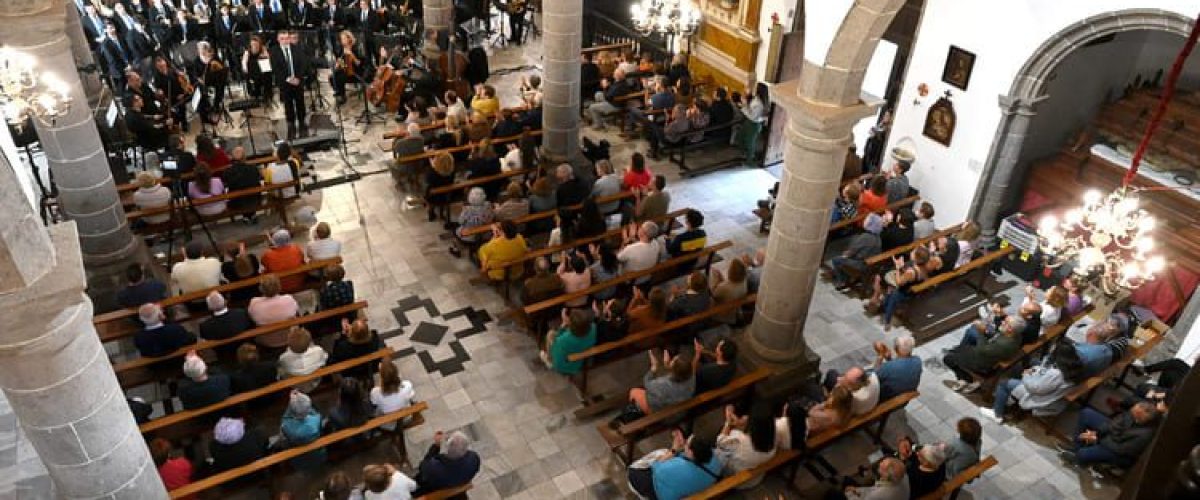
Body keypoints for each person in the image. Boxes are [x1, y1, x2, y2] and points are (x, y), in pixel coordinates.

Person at [983, 340, 1085, 423]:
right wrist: (1035, 370)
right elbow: (1045, 373)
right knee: (1031, 363)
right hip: (1048, 390)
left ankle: (997, 414)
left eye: (1053, 351)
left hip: (1039, 397)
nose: (1051, 352)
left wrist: (1026, 375)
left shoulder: (1056, 374)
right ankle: (1010, 399)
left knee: (1004, 383)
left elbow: (1036, 388)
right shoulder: (1073, 367)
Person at [1059, 401, 1160, 468]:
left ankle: (1079, 457)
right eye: (1132, 413)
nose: (1131, 415)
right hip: (1113, 437)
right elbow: (1115, 422)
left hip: (1118, 453)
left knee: (1083, 454)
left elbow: (1121, 450)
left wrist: (1097, 439)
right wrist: (1097, 433)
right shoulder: (1134, 412)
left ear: (1142, 418)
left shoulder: (1145, 435)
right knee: (1087, 413)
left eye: (1135, 416)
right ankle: (1076, 447)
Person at [627, 430, 722, 500]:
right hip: (697, 484)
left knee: (635, 470)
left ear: (691, 453)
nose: (685, 444)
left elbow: (656, 467)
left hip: (661, 493)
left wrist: (674, 449)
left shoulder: (677, 467)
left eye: (687, 445)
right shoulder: (715, 460)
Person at [943, 315, 1025, 393]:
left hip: (983, 365)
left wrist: (981, 332)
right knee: (964, 342)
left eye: (1005, 322)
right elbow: (996, 337)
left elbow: (981, 350)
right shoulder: (1016, 335)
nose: (1002, 322)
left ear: (1010, 329)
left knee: (948, 359)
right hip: (991, 354)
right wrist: (986, 331)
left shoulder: (1004, 344)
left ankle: (965, 378)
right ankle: (957, 352)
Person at [716, 405, 776, 487]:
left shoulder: (738, 440)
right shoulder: (773, 438)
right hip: (756, 477)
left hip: (737, 480)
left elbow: (720, 441)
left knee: (719, 446)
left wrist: (728, 422)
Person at [270, 30, 313, 137]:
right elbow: (276, 69)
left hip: (297, 80)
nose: (285, 41)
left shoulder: (296, 49)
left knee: (300, 102)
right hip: (285, 82)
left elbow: (302, 64)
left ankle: (302, 121)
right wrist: (288, 79)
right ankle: (291, 123)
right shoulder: (274, 52)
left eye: (287, 38)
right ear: (278, 40)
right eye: (282, 39)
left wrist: (298, 78)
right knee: (288, 104)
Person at [413, 431, 481, 496]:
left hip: (434, 489)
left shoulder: (434, 467)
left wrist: (436, 446)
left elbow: (422, 466)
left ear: (448, 448)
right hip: (460, 482)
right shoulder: (474, 459)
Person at [628, 350, 695, 416]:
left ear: (674, 370)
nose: (671, 360)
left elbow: (647, 383)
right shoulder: (692, 377)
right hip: (680, 412)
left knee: (633, 392)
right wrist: (669, 368)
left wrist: (653, 368)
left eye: (673, 361)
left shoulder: (662, 384)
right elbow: (678, 375)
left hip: (663, 416)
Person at [829, 213, 884, 290]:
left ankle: (842, 280)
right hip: (870, 264)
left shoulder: (865, 237)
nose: (865, 221)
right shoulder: (878, 238)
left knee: (836, 260)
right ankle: (843, 275)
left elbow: (852, 251)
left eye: (867, 220)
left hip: (861, 264)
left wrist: (845, 255)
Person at [248, 274, 300, 349]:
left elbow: (251, 318)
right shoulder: (288, 299)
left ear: (261, 288)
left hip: (267, 340)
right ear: (279, 286)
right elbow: (297, 312)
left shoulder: (254, 303)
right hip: (290, 336)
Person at [199, 291, 254, 362]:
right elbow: (251, 327)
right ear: (225, 302)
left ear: (209, 308)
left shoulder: (205, 326)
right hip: (246, 350)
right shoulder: (241, 313)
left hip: (224, 355)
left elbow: (209, 343)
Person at [540, 308, 597, 375]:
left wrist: (563, 324)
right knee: (552, 334)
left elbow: (557, 356)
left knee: (550, 334)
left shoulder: (564, 339)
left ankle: (549, 360)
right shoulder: (593, 327)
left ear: (571, 325)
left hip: (569, 365)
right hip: (584, 357)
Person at [278, 390, 326, 469]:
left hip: (298, 461)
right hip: (318, 456)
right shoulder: (317, 418)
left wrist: (292, 402)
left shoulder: (287, 426)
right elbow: (311, 412)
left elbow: (285, 419)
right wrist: (299, 399)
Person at [370, 360, 416, 431]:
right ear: (397, 374)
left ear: (382, 378)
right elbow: (411, 395)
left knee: (377, 410)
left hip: (387, 423)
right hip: (406, 418)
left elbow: (374, 402)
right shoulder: (407, 385)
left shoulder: (375, 392)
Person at [873, 336, 922, 401]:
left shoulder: (887, 367)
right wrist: (889, 359)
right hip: (905, 398)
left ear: (896, 349)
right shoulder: (918, 361)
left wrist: (880, 358)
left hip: (887, 399)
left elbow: (874, 378)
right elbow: (900, 368)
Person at [450, 188, 495, 257]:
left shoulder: (467, 209)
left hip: (471, 236)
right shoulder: (488, 205)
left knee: (455, 229)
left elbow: (460, 221)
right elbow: (492, 216)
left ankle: (456, 249)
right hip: (486, 233)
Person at [844, 457, 910, 500]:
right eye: (883, 461)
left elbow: (868, 495)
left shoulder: (878, 494)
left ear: (885, 476)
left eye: (882, 466)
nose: (880, 463)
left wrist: (854, 491)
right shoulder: (903, 475)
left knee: (846, 480)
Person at [425, 151, 456, 222]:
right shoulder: (452, 171)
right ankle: (440, 211)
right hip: (448, 195)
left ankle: (431, 212)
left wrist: (432, 167)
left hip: (434, 197)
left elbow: (428, 180)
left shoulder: (432, 173)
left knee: (428, 189)